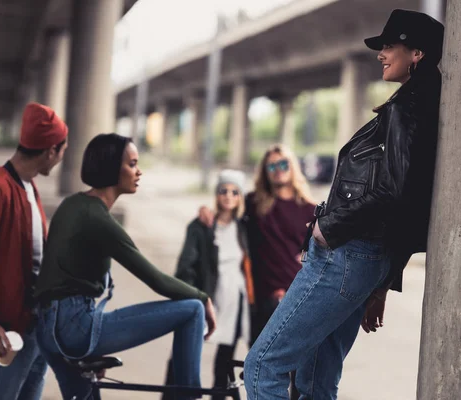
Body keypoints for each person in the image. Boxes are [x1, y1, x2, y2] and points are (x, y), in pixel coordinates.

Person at [244, 9, 444, 399]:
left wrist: (326, 229)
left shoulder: (405, 110)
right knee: (316, 379)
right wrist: (383, 280)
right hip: (364, 259)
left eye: (389, 46)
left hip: (346, 253)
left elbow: (395, 192)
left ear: (417, 53)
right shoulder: (416, 104)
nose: (381, 54)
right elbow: (411, 203)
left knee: (263, 366)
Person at [34, 133, 217, 400]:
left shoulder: (73, 204)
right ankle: (189, 396)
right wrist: (203, 296)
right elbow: (157, 280)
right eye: (132, 164)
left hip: (48, 331)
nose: (138, 171)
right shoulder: (98, 219)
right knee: (192, 309)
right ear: (111, 167)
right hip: (74, 327)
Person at [199, 144, 315, 399]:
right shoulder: (254, 203)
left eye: (283, 164)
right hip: (261, 299)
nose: (278, 170)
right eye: (271, 166)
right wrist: (207, 212)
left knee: (298, 369)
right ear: (265, 172)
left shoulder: (310, 209)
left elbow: (321, 252)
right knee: (259, 364)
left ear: (292, 167)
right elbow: (227, 213)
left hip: (297, 298)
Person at [0, 102, 68, 400]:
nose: (60, 159)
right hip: (5, 329)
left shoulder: (29, 187)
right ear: (51, 151)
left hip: (33, 326)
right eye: (62, 151)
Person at [165, 169, 254, 400]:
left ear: (240, 197)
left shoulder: (244, 226)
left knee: (224, 360)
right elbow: (185, 266)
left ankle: (218, 396)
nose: (228, 196)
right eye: (223, 190)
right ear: (216, 194)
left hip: (235, 299)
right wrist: (192, 296)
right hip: (208, 297)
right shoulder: (201, 226)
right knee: (184, 354)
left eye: (235, 192)